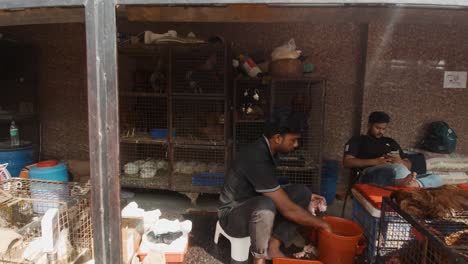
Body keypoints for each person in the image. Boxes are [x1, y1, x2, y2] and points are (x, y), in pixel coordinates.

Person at [218, 111, 331, 264]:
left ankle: (273, 246)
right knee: (266, 205)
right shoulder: (256, 156)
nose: (296, 144)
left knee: (302, 192)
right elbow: (288, 209)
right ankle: (259, 259)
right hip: (232, 217)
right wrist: (323, 224)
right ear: (278, 138)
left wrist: (308, 197)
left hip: (252, 204)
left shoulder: (268, 149)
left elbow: (269, 187)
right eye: (294, 140)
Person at [343, 111, 442, 188]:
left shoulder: (390, 142)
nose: (381, 131)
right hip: (369, 174)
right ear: (369, 125)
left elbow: (408, 164)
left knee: (437, 177)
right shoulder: (358, 140)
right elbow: (347, 162)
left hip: (394, 173)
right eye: (377, 128)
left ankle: (411, 184)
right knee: (398, 169)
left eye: (383, 129)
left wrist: (400, 161)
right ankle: (409, 184)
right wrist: (376, 161)